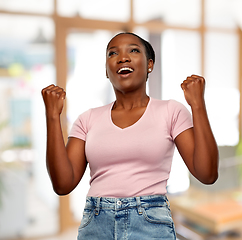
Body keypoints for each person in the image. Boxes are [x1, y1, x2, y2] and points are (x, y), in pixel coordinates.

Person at [41, 32, 219, 239]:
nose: (122, 57)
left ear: (150, 64)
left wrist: (198, 104)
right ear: (107, 71)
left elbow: (207, 174)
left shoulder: (171, 111)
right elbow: (63, 184)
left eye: (133, 50)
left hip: (150, 223)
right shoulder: (87, 119)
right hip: (96, 225)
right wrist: (52, 116)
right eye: (112, 53)